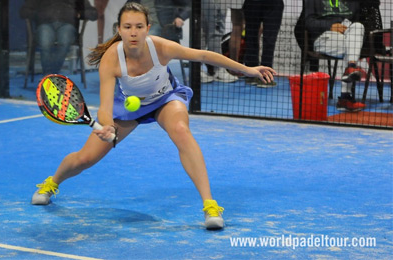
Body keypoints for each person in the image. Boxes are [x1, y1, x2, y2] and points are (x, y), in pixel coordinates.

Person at [31, 2, 276, 230]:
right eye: (128, 27)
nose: (134, 32)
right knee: (85, 158)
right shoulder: (111, 59)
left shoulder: (160, 47)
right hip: (130, 108)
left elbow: (203, 55)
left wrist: (247, 70)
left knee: (181, 130)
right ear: (119, 29)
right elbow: (105, 108)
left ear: (147, 28)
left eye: (139, 26)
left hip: (166, 99)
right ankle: (52, 183)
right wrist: (108, 127)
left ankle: (210, 206)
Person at [305, 0, 365, 111]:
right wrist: (330, 26)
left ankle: (350, 67)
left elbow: (357, 21)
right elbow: (308, 22)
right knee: (351, 47)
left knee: (358, 26)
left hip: (347, 35)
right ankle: (345, 97)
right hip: (324, 36)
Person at [20, 0, 98, 75]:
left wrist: (78, 14)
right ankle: (49, 75)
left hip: (67, 24)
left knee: (64, 41)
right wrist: (39, 14)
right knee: (45, 42)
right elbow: (24, 12)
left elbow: (93, 14)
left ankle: (52, 74)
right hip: (45, 23)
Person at [242, 0, 284, 87]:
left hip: (272, 4)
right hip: (255, 3)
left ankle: (265, 76)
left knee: (268, 39)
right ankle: (252, 74)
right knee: (251, 36)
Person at [200, 0, 239, 83]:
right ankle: (217, 70)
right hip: (215, 2)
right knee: (215, 32)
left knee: (203, 31)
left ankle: (197, 69)